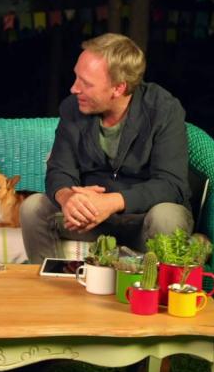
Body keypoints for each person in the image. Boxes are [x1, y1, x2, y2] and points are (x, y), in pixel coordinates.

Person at [20, 33, 193, 263]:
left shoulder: (163, 110)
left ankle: (153, 295)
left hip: (143, 219)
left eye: (86, 83)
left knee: (167, 217)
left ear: (118, 88)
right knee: (33, 208)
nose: (74, 88)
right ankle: (51, 293)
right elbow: (59, 169)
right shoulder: (73, 109)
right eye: (76, 77)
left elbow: (172, 184)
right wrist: (67, 197)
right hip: (90, 221)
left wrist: (112, 202)